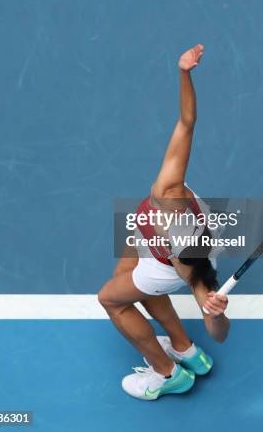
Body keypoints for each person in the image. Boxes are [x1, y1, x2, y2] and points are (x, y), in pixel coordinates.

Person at [98, 44, 229, 400]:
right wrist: (184, 73)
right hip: (147, 241)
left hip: (162, 268)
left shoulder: (186, 261)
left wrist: (214, 313)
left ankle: (167, 372)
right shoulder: (169, 187)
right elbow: (188, 121)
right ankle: (185, 348)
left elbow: (218, 331)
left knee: (111, 298)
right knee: (122, 275)